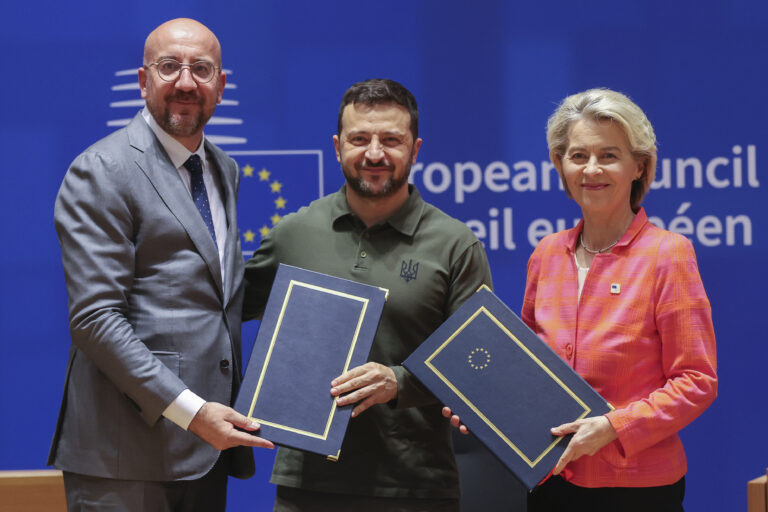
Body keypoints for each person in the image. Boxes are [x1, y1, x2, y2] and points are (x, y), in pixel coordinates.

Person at [446, 88, 717, 511]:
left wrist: (613, 426)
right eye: (577, 156)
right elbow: (527, 370)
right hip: (550, 479)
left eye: (608, 155)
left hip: (638, 489)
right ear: (560, 165)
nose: (591, 169)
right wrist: (484, 407)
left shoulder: (668, 254)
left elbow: (696, 382)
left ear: (638, 167)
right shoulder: (547, 254)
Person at [50, 18, 273, 511]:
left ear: (222, 85)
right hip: (126, 455)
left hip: (207, 449)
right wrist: (192, 413)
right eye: (169, 66)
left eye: (202, 68)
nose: (187, 82)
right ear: (143, 80)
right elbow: (95, 319)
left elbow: (211, 296)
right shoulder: (102, 170)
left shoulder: (222, 168)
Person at [242, 78, 492, 511]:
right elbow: (218, 318)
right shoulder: (293, 235)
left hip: (417, 486)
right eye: (360, 139)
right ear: (338, 147)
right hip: (307, 484)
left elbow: (480, 361)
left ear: (415, 150)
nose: (375, 154)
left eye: (391, 140)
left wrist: (399, 381)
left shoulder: (455, 245)